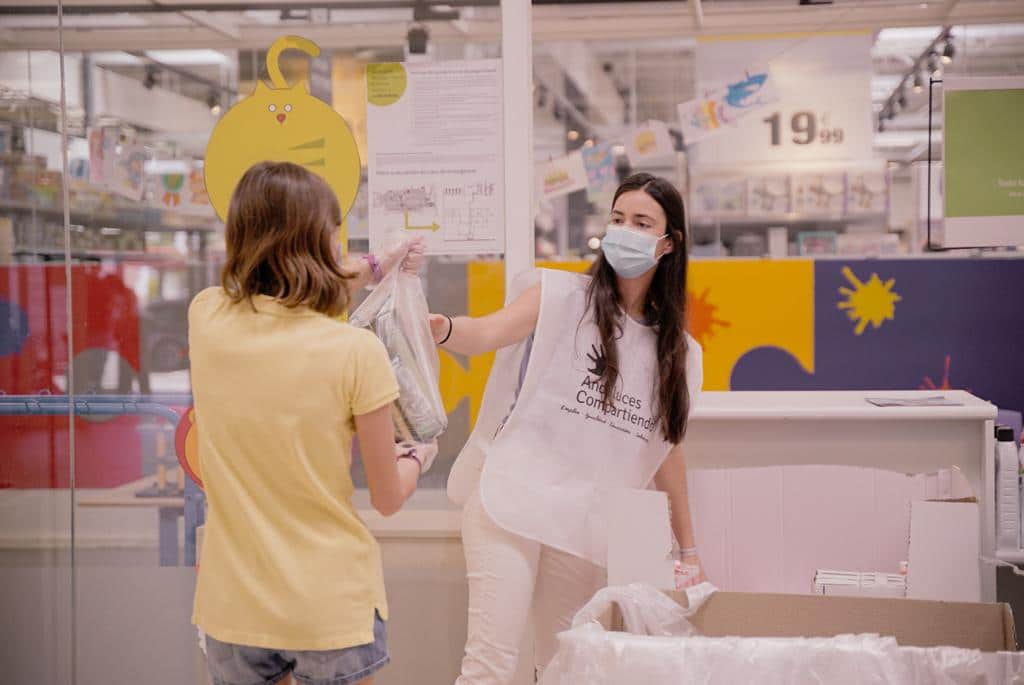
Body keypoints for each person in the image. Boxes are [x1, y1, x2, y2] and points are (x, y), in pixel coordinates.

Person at [430, 173, 704, 684]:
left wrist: (689, 549)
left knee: (567, 669)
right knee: (490, 665)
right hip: (509, 502)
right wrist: (441, 327)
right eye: (618, 219)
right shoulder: (560, 296)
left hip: (577, 524)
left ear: (669, 243)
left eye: (642, 223)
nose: (625, 230)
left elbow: (667, 450)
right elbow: (486, 331)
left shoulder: (677, 353)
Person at [189, 161, 434, 685]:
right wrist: (414, 456)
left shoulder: (206, 318)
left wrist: (374, 264)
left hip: (233, 606)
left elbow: (292, 286)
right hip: (328, 607)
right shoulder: (355, 352)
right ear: (320, 239)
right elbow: (388, 498)